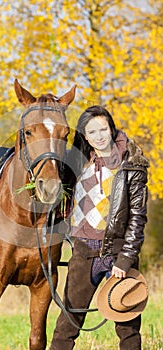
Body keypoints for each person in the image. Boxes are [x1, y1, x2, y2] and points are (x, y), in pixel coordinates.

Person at [50, 105, 149, 350]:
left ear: (111, 128)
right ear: (85, 136)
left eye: (103, 129)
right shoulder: (76, 164)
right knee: (67, 323)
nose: (99, 136)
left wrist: (125, 260)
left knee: (127, 323)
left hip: (117, 254)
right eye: (92, 132)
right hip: (83, 253)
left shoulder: (131, 165)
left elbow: (137, 218)